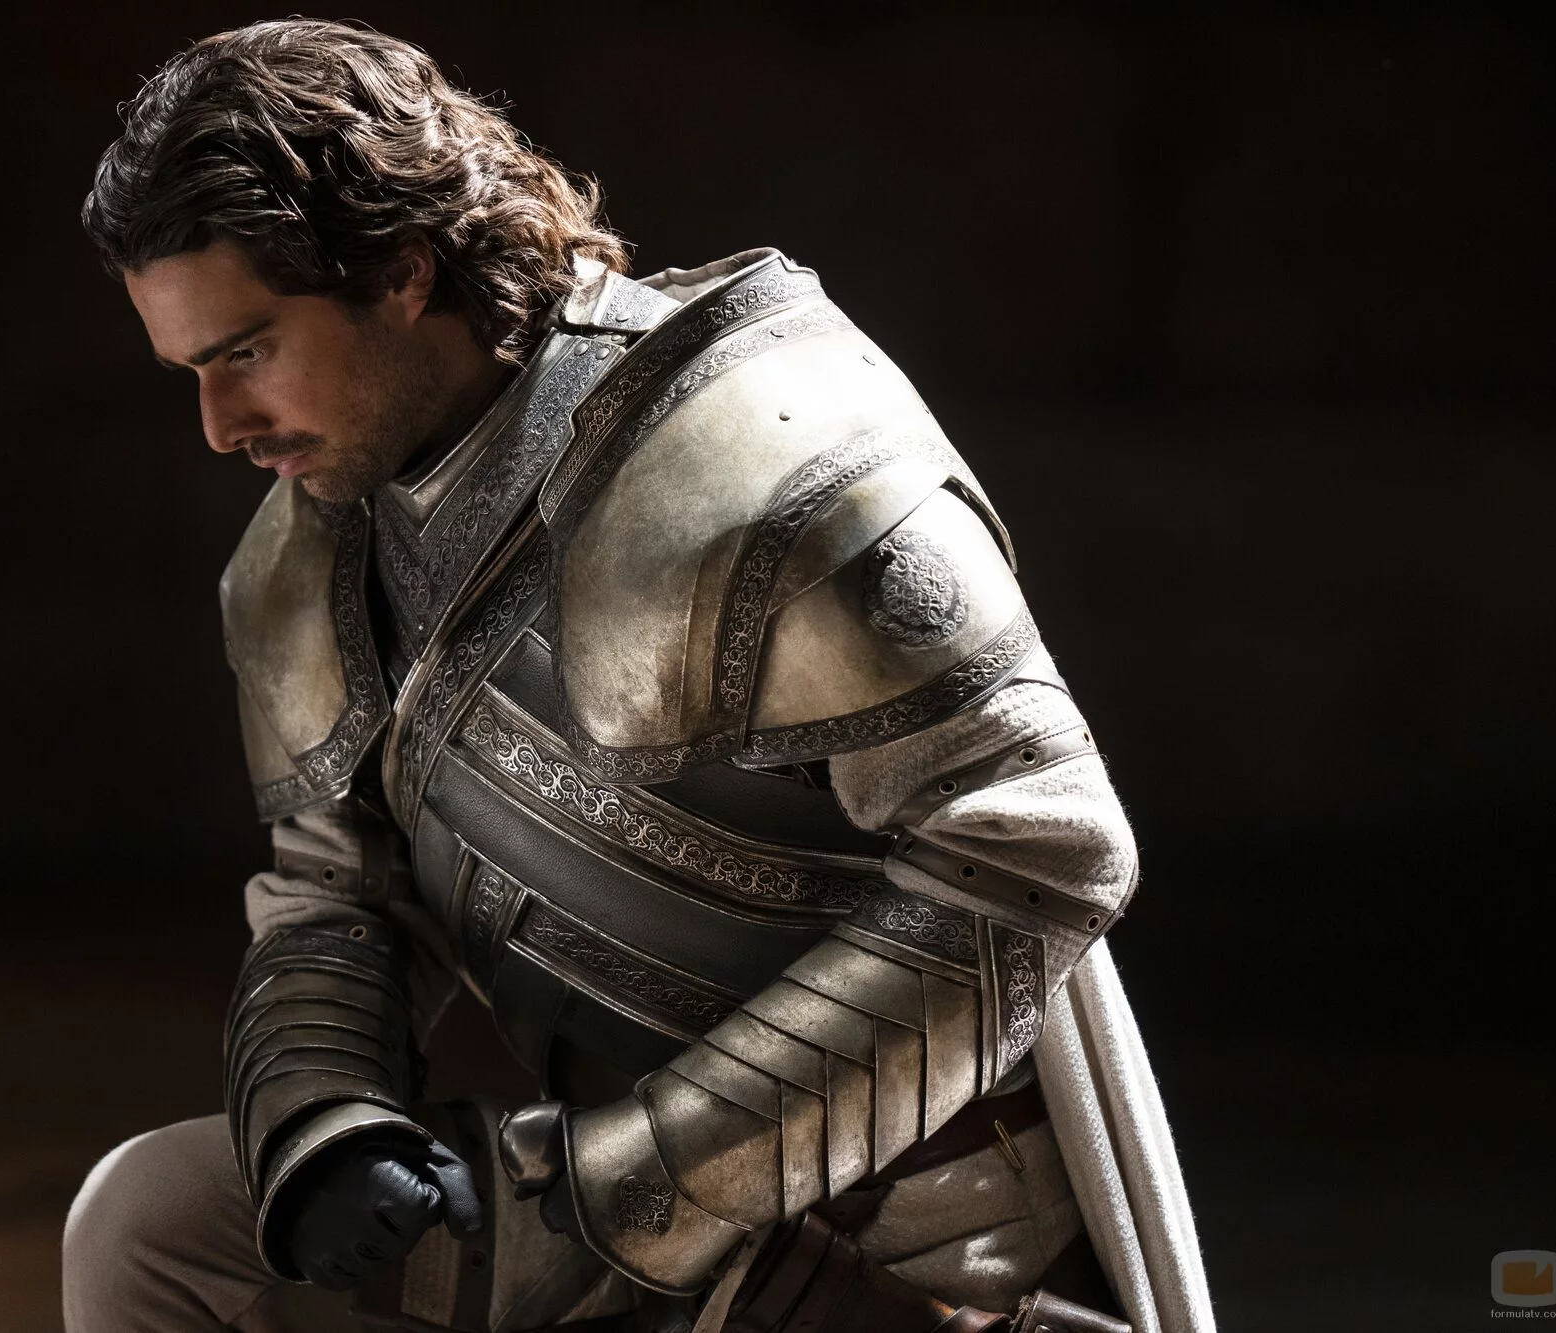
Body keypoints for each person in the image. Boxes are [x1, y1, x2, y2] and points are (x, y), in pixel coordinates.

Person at [65, 19, 1215, 1333]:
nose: (219, 427)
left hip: (907, 1256)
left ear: (399, 271)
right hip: (585, 1208)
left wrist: (644, 1181)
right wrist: (326, 1124)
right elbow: (335, 890)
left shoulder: (761, 448)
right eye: (191, 372)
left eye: (245, 351)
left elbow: (1042, 851)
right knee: (153, 1222)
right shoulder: (313, 553)